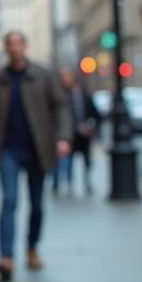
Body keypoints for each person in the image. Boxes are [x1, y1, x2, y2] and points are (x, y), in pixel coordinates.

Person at [0, 32, 71, 282]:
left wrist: (63, 137)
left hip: (37, 150)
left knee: (37, 202)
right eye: (10, 44)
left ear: (25, 47)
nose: (15, 49)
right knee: (9, 201)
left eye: (19, 44)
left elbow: (60, 107)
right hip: (8, 150)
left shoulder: (43, 76)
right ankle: (7, 256)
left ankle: (32, 247)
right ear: (6, 49)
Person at [51, 67, 101, 196]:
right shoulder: (60, 95)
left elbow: (95, 113)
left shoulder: (84, 94)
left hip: (84, 135)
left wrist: (90, 126)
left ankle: (87, 182)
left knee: (87, 160)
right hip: (69, 135)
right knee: (67, 161)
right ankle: (67, 183)